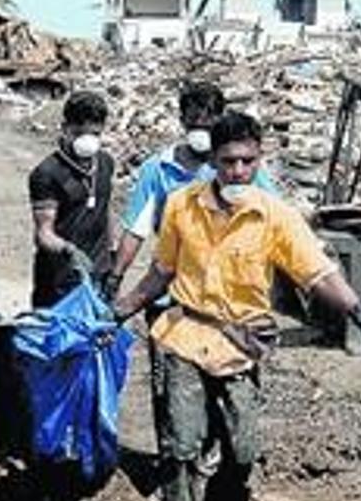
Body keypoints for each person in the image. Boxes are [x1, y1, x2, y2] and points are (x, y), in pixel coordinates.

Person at [111, 111, 361, 501]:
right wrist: (123, 306)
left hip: (241, 343)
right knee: (180, 447)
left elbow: (316, 271)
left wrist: (359, 312)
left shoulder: (274, 214)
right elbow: (163, 270)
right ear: (213, 161)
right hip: (184, 334)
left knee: (241, 453)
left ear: (259, 158)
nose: (238, 171)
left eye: (247, 161)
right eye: (228, 162)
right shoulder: (181, 205)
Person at [106, 82, 279, 463]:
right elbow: (136, 227)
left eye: (208, 120)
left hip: (232, 310)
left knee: (232, 399)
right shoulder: (160, 170)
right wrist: (115, 279)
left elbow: (277, 221)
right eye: (192, 119)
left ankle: (216, 457)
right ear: (182, 120)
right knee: (171, 396)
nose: (200, 127)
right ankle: (177, 467)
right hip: (172, 306)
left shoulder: (239, 169)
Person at [28, 90, 115, 308]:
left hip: (98, 273)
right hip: (59, 280)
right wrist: (69, 251)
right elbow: (43, 233)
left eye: (94, 134)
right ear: (65, 129)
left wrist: (112, 255)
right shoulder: (46, 173)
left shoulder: (105, 163)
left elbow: (105, 210)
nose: (87, 142)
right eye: (79, 133)